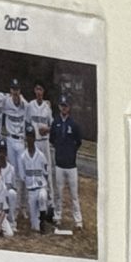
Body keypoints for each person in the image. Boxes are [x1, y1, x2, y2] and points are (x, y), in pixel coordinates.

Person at [46, 99, 81, 232]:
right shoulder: (56, 122)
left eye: (66, 106)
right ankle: (58, 217)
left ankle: (78, 220)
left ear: (69, 108)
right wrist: (60, 150)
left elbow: (78, 142)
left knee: (74, 194)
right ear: (60, 107)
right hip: (59, 164)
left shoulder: (74, 124)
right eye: (62, 106)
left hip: (71, 165)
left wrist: (71, 151)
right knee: (58, 193)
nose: (64, 109)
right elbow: (52, 139)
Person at [16, 127, 51, 238]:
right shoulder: (22, 157)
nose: (30, 139)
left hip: (41, 187)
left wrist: (46, 188)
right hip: (31, 191)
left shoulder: (41, 156)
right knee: (34, 227)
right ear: (26, 138)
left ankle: (43, 221)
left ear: (34, 138)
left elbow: (46, 173)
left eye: (32, 136)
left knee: (42, 196)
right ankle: (38, 220)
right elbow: (22, 176)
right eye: (28, 136)